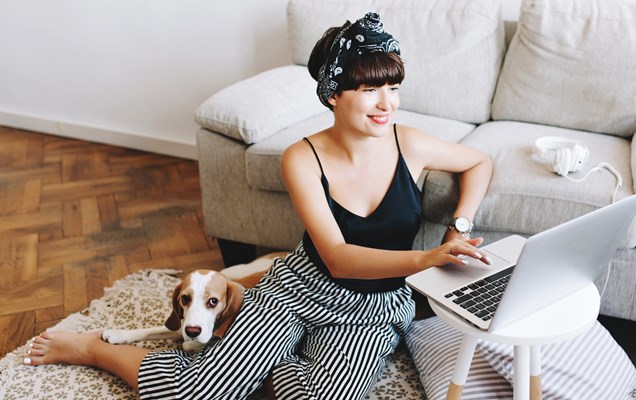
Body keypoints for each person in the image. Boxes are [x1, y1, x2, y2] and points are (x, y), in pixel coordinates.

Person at [23, 12, 493, 400]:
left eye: (393, 88)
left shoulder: (409, 143)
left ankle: (264, 361)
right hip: (301, 287)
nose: (386, 103)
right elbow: (337, 257)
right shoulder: (301, 158)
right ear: (333, 94)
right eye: (370, 89)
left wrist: (458, 228)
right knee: (196, 390)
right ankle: (94, 349)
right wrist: (428, 259)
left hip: (371, 310)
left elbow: (480, 163)